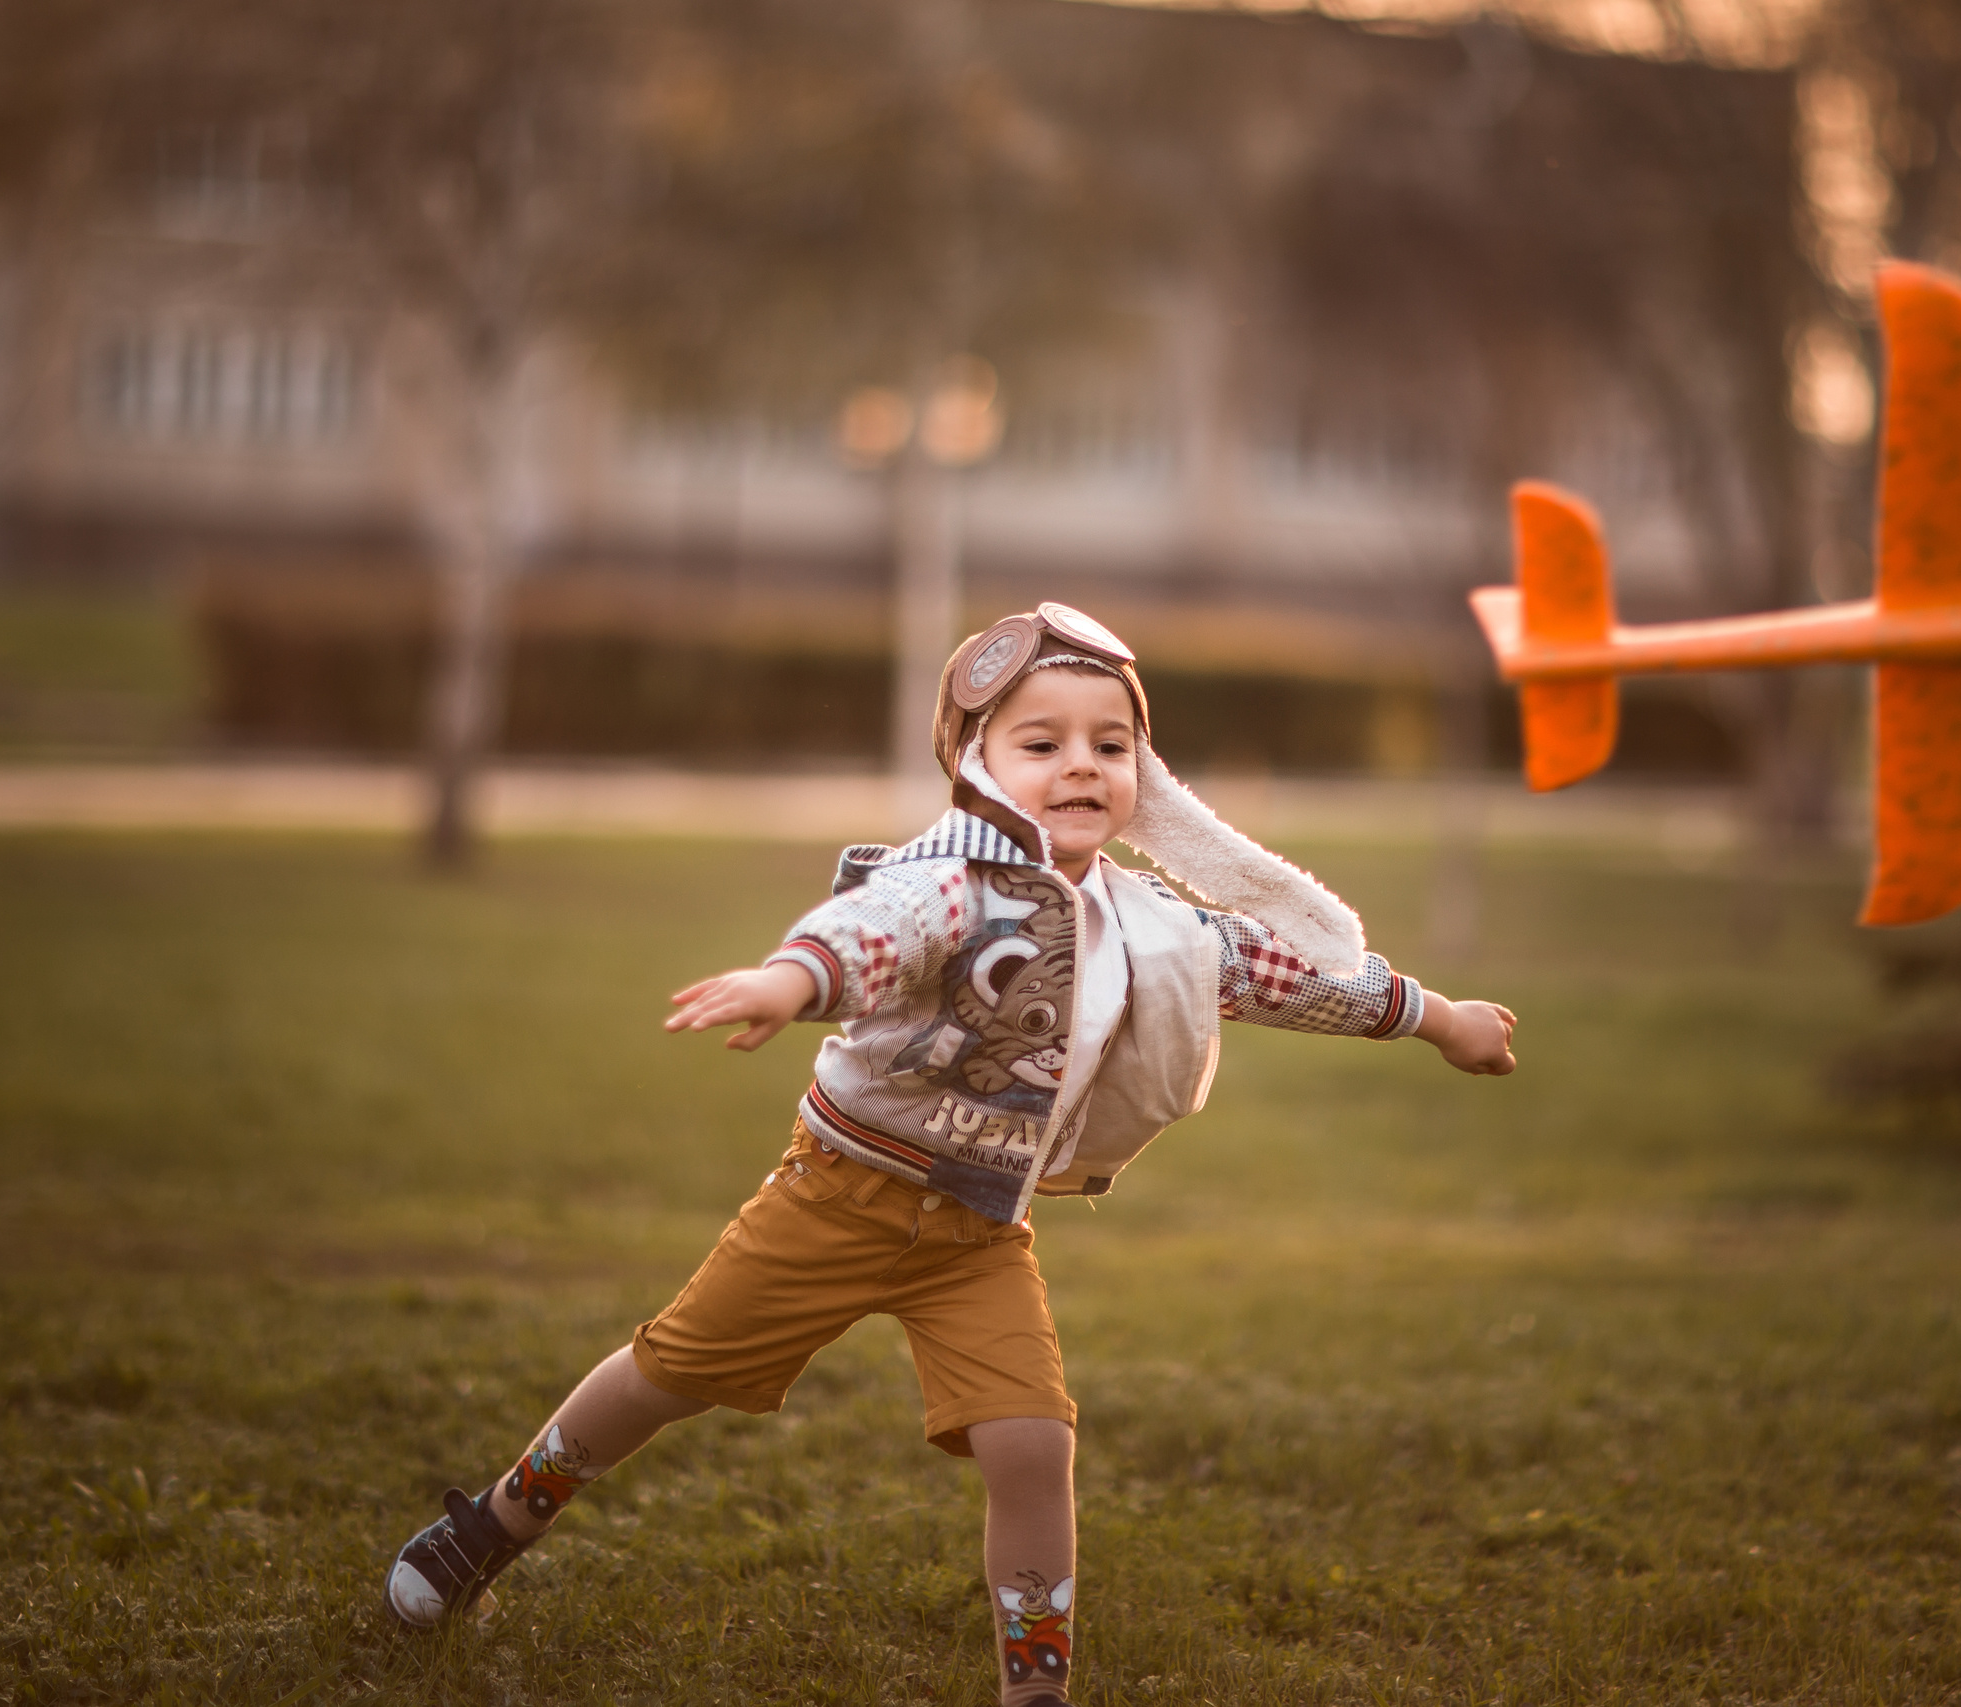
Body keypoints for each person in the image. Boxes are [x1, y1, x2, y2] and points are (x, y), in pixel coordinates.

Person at [378, 604, 1516, 1701]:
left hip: (978, 1231)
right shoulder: (950, 884)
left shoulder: (1154, 924)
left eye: (1110, 745)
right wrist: (793, 978)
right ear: (974, 763)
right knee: (667, 1376)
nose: (1081, 766)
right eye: (1042, 742)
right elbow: (872, 932)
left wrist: (1438, 1016)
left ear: (1147, 783)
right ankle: (491, 1524)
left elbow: (1287, 974)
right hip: (837, 1199)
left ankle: (1035, 1688)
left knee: (1031, 1446)